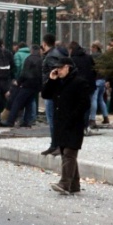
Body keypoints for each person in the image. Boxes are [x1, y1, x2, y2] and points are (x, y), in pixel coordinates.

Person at [41, 57, 90, 195]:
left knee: (69, 152)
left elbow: (85, 103)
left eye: (61, 68)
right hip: (61, 123)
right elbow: (46, 94)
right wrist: (51, 79)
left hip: (74, 123)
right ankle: (74, 184)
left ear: (68, 67)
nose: (58, 70)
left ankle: (64, 183)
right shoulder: (58, 82)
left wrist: (73, 116)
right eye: (57, 68)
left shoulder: (79, 82)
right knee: (65, 152)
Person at [1, 45, 43, 127]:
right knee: (28, 102)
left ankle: (10, 121)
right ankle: (27, 121)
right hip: (36, 86)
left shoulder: (29, 59)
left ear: (32, 51)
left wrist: (19, 82)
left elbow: (24, 73)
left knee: (17, 102)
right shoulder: (41, 60)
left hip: (27, 84)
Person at [40, 33, 66, 155]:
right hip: (54, 92)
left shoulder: (50, 57)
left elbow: (55, 74)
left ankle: (56, 145)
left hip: (51, 92)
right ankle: (54, 144)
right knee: (53, 119)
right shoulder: (57, 54)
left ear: (44, 43)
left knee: (52, 120)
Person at [68, 41, 96, 133]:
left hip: (77, 86)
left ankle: (78, 126)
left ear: (71, 49)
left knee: (76, 106)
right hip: (89, 85)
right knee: (86, 105)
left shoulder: (72, 59)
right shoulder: (89, 57)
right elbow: (94, 70)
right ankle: (86, 125)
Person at [89, 41, 109, 127]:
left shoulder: (92, 57)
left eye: (92, 48)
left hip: (96, 80)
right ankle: (106, 117)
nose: (91, 49)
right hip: (103, 80)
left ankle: (92, 119)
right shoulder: (104, 57)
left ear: (95, 48)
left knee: (94, 99)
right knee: (100, 99)